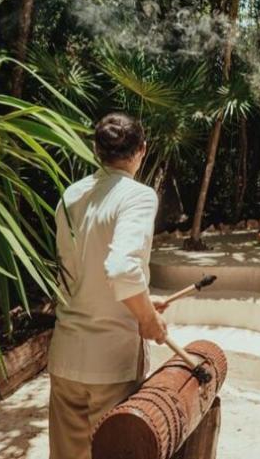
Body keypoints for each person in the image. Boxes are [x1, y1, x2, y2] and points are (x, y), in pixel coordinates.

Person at [47, 112, 169, 459]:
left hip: (66, 356)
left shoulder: (71, 195)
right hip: (110, 364)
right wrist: (147, 319)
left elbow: (80, 272)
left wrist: (144, 304)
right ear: (142, 150)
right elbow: (121, 269)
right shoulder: (138, 196)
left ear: (95, 149)